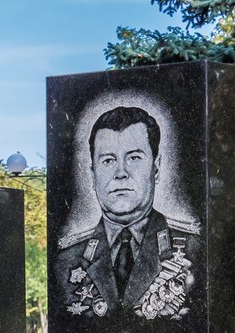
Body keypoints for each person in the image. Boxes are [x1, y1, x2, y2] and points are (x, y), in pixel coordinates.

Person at [54, 106, 200, 319]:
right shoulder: (66, 259)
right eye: (108, 161)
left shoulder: (194, 249)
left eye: (134, 158)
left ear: (156, 168)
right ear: (93, 175)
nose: (120, 173)